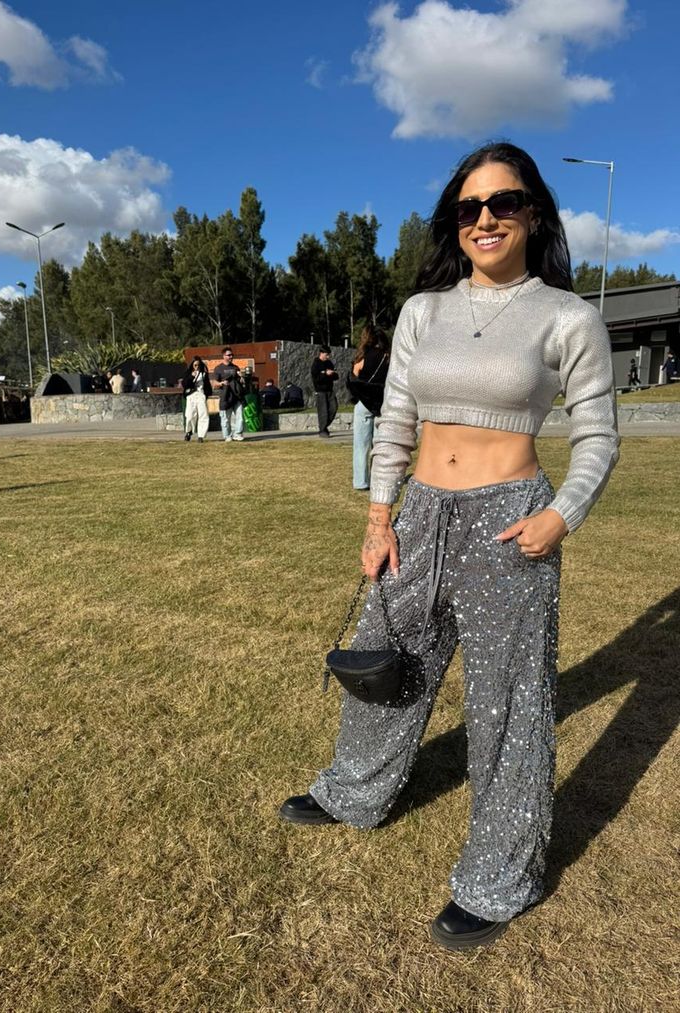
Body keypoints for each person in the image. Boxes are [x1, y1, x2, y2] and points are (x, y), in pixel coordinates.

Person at [278, 142, 620, 951]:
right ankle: (356, 790)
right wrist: (379, 516)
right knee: (384, 659)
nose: (486, 219)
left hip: (510, 519)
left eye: (504, 203)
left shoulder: (568, 317)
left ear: (534, 213)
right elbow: (396, 420)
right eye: (470, 207)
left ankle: (499, 877)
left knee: (509, 701)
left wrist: (560, 515)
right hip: (422, 510)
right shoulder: (423, 311)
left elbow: (599, 435)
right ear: (454, 222)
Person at [349, 325, 391, 490]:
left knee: (361, 445)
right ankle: (378, 479)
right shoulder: (388, 357)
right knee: (379, 446)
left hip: (364, 403)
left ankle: (360, 482)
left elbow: (354, 376)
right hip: (382, 404)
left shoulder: (362, 356)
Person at [213, 347, 245, 442]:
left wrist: (241, 378)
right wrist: (221, 383)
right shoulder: (218, 368)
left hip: (237, 396)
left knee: (240, 416)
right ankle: (227, 435)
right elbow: (214, 383)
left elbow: (240, 381)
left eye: (232, 355)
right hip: (226, 397)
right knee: (225, 418)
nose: (231, 356)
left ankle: (237, 434)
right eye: (229, 355)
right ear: (224, 356)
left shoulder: (235, 368)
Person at [182, 355, 212, 442]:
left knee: (203, 415)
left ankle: (201, 435)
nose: (197, 367)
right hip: (191, 395)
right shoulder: (188, 373)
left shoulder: (204, 374)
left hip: (201, 395)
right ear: (192, 365)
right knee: (190, 415)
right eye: (195, 365)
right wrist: (191, 376)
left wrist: (206, 395)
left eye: (198, 365)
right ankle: (189, 431)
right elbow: (185, 384)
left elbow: (207, 385)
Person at [311, 346, 339, 437]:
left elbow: (336, 377)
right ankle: (322, 430)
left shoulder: (329, 363)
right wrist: (325, 374)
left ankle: (324, 426)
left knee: (334, 407)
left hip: (330, 390)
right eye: (326, 355)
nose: (328, 357)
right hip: (320, 391)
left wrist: (332, 374)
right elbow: (316, 379)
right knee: (323, 411)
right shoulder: (316, 364)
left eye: (328, 355)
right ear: (321, 353)